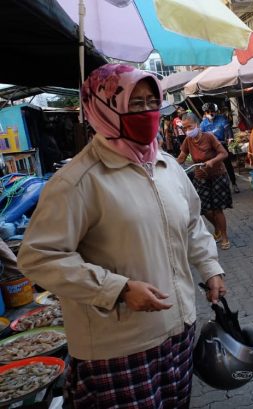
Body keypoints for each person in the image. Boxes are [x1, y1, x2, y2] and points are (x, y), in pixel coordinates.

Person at [17, 64, 227, 408]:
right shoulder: (79, 180)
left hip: (178, 331)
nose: (146, 113)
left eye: (151, 102)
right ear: (104, 108)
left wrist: (210, 267)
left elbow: (192, 223)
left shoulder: (167, 166)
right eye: (134, 103)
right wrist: (118, 289)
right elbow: (39, 256)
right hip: (118, 349)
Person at [177, 112, 233, 250]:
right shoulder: (188, 141)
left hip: (217, 175)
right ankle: (218, 228)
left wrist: (212, 161)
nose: (187, 130)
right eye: (184, 128)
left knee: (217, 208)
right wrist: (170, 165)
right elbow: (182, 157)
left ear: (197, 124)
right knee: (203, 208)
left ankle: (224, 236)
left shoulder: (209, 137)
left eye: (189, 127)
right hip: (200, 176)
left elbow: (224, 153)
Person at [201, 102, 240, 193]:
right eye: (208, 112)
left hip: (221, 144)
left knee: (228, 165)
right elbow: (201, 136)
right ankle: (217, 186)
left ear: (215, 111)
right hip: (210, 148)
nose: (210, 113)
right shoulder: (203, 124)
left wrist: (230, 138)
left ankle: (234, 184)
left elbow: (228, 130)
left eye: (212, 111)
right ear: (205, 113)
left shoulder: (222, 119)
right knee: (212, 167)